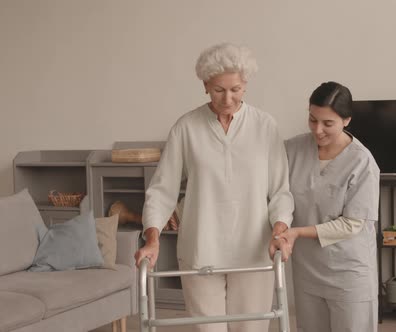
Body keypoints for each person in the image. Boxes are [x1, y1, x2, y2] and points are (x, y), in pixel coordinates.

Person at [134, 42, 294, 332]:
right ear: (205, 85)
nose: (228, 98)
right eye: (219, 89)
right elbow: (162, 190)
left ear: (246, 85)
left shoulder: (265, 126)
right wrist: (153, 238)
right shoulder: (186, 127)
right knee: (207, 329)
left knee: (252, 328)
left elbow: (280, 191)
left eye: (235, 89)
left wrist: (280, 230)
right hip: (200, 248)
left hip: (254, 249)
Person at [271, 81, 380, 332]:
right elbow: (275, 191)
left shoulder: (362, 162)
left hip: (349, 271)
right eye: (312, 119)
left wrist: (297, 232)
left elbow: (352, 223)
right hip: (308, 269)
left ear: (346, 120)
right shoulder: (293, 149)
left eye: (327, 123)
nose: (317, 130)